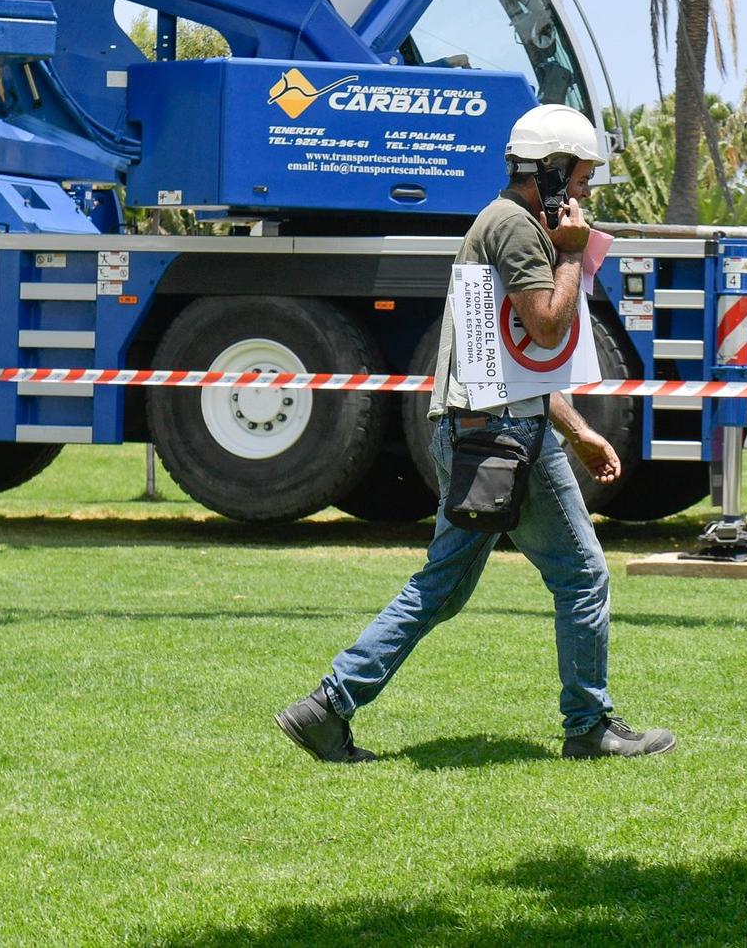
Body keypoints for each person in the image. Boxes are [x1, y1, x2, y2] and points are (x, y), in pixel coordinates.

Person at [276, 104, 677, 762]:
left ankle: (327, 707)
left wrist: (574, 431)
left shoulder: (500, 222)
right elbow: (546, 327)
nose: (583, 195)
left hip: (492, 428)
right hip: (501, 435)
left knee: (444, 589)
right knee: (580, 575)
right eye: (577, 179)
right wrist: (573, 257)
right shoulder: (517, 231)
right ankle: (588, 725)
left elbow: (512, 359)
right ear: (546, 172)